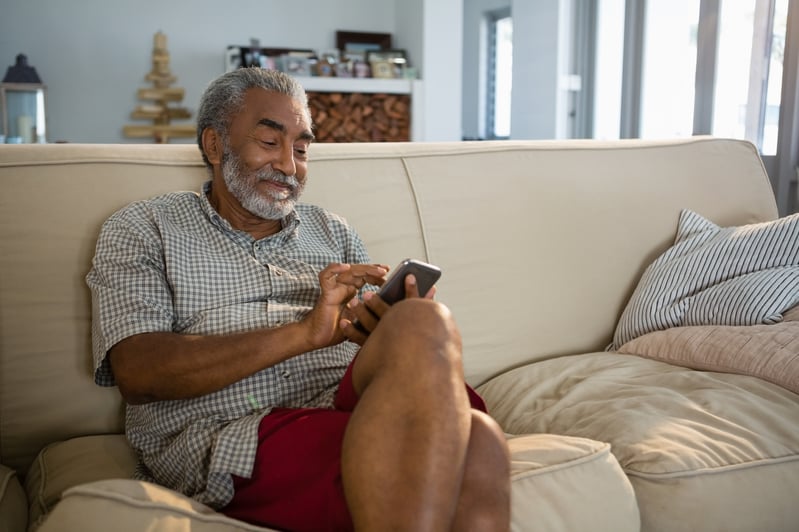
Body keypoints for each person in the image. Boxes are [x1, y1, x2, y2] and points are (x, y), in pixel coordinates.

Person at [86, 67, 510, 532]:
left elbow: (376, 354)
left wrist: (378, 327)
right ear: (214, 144)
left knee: (424, 319)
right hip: (239, 426)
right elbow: (139, 372)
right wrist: (307, 333)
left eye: (302, 149)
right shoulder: (144, 227)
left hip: (344, 397)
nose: (290, 165)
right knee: (480, 443)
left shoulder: (332, 230)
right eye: (270, 143)